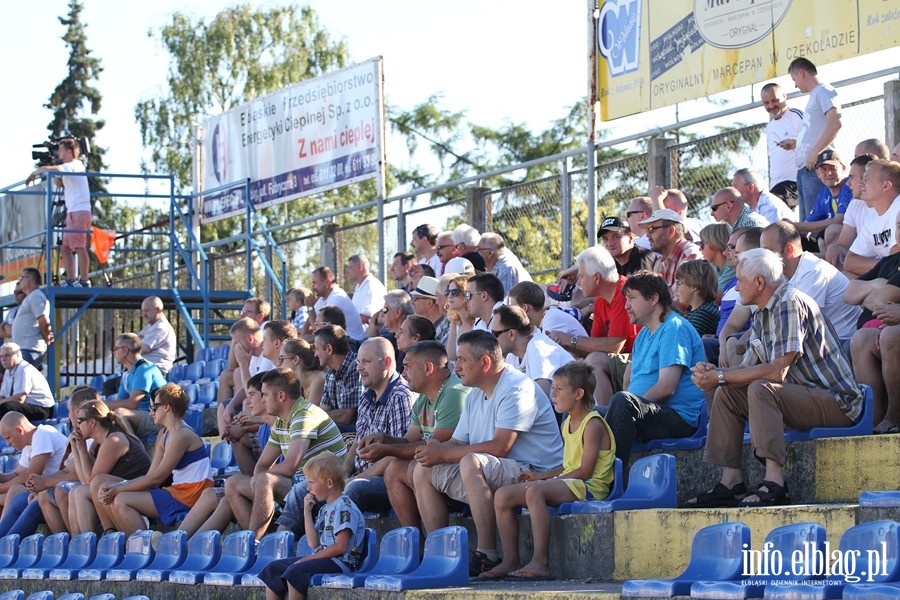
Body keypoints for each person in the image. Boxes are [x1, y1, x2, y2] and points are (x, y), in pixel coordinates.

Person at [687, 248, 863, 507]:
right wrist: (715, 374)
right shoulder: (763, 310)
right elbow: (747, 368)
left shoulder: (788, 302)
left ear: (759, 282)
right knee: (727, 390)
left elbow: (777, 371)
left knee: (761, 387)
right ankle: (731, 482)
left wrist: (722, 375)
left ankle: (775, 483)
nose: (735, 289)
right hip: (800, 396)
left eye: (740, 282)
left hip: (838, 403)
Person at [412, 330, 563, 577]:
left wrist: (446, 454)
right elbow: (458, 441)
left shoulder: (517, 387)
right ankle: (438, 555)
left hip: (535, 472)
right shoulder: (474, 395)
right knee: (423, 470)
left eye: (461, 359)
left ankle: (487, 555)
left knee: (472, 461)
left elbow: (500, 447)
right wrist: (434, 450)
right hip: (499, 469)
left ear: (485, 362)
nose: (455, 366)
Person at [490, 361, 615, 580]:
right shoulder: (566, 422)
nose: (552, 394)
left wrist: (542, 484)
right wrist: (540, 476)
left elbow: (585, 471)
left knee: (535, 492)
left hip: (590, 488)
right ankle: (510, 559)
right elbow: (569, 465)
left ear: (578, 393)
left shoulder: (593, 424)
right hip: (572, 482)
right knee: (503, 495)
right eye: (553, 388)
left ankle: (541, 562)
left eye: (559, 389)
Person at [222, 368, 346, 540]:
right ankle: (263, 542)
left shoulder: (304, 415)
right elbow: (262, 464)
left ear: (281, 396)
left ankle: (253, 543)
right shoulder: (282, 421)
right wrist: (257, 480)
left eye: (264, 395)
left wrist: (261, 479)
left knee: (265, 479)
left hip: (324, 487)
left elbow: (290, 466)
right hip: (298, 484)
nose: (262, 400)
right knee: (233, 484)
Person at [604, 271, 705, 467]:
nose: (626, 306)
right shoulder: (643, 334)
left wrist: (627, 407)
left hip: (677, 417)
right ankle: (573, 480)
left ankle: (605, 485)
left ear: (653, 298)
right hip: (645, 411)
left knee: (622, 403)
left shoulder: (674, 329)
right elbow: (628, 381)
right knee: (581, 414)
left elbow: (667, 387)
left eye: (632, 298)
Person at [98, 383, 213, 535]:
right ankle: (135, 545)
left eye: (154, 407)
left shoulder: (182, 434)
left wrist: (118, 488)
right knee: (117, 497)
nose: (150, 412)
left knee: (121, 499)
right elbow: (150, 476)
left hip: (191, 496)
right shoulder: (164, 434)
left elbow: (156, 479)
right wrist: (117, 486)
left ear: (166, 407)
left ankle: (145, 547)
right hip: (178, 492)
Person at [382, 341, 468, 528]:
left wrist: (384, 449)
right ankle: (416, 546)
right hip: (439, 467)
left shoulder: (454, 393)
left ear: (428, 368)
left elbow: (433, 448)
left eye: (407, 367)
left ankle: (436, 545)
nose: (403, 374)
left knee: (417, 467)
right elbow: (408, 440)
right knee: (394, 469)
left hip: (462, 468)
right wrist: (384, 439)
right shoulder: (423, 396)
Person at [259, 451, 366, 600]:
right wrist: (306, 512)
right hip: (325, 559)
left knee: (295, 571)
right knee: (273, 569)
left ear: (329, 483)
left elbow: (341, 546)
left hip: (340, 562)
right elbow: (313, 542)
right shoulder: (325, 508)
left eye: (311, 482)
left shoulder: (344, 507)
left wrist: (310, 559)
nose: (308, 488)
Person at [545, 246, 639, 407]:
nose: (579, 282)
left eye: (581, 276)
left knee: (594, 360)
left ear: (596, 278)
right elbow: (594, 346)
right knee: (574, 364)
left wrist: (571, 339)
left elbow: (613, 347)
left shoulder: (624, 292)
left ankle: (607, 419)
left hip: (639, 362)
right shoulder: (602, 300)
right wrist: (564, 344)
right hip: (623, 364)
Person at [335, 338, 415, 514]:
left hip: (387, 478)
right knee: (311, 488)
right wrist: (343, 475)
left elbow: (398, 454)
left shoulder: (401, 396)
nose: (359, 368)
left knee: (353, 490)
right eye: (358, 362)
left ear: (386, 362)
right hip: (361, 475)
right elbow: (358, 442)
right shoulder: (366, 397)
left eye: (366, 362)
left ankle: (336, 542)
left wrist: (355, 480)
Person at [761, 221, 861, 342]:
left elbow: (797, 325)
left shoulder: (813, 272)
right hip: (821, 342)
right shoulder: (784, 272)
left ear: (788, 249)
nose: (763, 258)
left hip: (842, 343)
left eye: (767, 252)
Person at [67, 399, 152, 535]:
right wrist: (77, 448)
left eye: (79, 421)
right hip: (120, 488)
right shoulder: (98, 443)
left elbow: (91, 481)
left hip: (138, 491)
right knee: (75, 491)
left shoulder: (114, 440)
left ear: (92, 422)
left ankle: (101, 536)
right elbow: (85, 481)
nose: (76, 426)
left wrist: (82, 449)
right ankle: (81, 546)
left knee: (83, 490)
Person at [29, 386, 100, 534]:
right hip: (85, 483)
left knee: (61, 489)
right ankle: (63, 543)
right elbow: (67, 469)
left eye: (69, 411)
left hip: (96, 486)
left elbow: (81, 474)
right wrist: (42, 482)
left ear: (76, 410)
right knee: (43, 494)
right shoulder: (75, 434)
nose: (69, 416)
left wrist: (47, 481)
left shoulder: (92, 436)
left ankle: (77, 541)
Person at [25, 137, 92, 287]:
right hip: (73, 211)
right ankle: (71, 279)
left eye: (61, 150)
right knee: (65, 247)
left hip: (79, 211)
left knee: (79, 247)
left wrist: (37, 171)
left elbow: (55, 169)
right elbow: (73, 186)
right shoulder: (71, 167)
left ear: (69, 151)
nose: (58, 153)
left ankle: (84, 280)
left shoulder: (74, 164)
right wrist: (61, 183)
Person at [787, 58, 842, 219]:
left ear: (802, 73)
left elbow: (836, 122)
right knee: (806, 223)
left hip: (816, 166)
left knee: (815, 223)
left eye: (794, 79)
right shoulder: (815, 95)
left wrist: (815, 152)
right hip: (806, 168)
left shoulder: (823, 91)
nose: (795, 85)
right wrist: (798, 144)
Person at [492, 305, 574, 400]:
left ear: (511, 334)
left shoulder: (539, 348)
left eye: (495, 334)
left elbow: (541, 400)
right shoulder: (512, 356)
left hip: (580, 412)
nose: (492, 340)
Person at [0, 412, 67, 527]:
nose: (8, 443)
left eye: (8, 438)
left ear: (19, 430)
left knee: (15, 489)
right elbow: (17, 473)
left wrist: (1, 488)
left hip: (57, 490)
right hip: (44, 491)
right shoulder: (28, 445)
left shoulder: (43, 434)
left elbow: (30, 476)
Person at [105, 333, 167, 438]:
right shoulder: (127, 373)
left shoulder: (144, 369)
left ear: (125, 351)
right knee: (100, 418)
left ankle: (135, 446)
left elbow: (132, 404)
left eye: (116, 348)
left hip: (158, 419)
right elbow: (119, 401)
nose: (114, 352)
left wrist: (100, 403)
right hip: (142, 416)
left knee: (119, 413)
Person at [846, 159, 900, 277]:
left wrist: (883, 266)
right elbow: (850, 262)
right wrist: (885, 265)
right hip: (886, 276)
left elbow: (896, 263)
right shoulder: (873, 217)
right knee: (846, 276)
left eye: (867, 179)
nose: (861, 184)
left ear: (886, 185)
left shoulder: (898, 209)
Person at [793, 149, 853, 252]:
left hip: (856, 237)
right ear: (818, 173)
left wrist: (796, 225)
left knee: (831, 231)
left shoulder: (849, 185)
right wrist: (789, 228)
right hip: (839, 241)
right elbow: (808, 225)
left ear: (843, 168)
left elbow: (839, 220)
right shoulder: (824, 193)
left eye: (832, 168)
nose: (828, 173)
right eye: (824, 169)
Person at [826, 153, 877, 272]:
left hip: (881, 268)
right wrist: (834, 247)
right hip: (862, 263)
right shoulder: (855, 204)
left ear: (866, 179)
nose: (848, 183)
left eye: (852, 177)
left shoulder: (887, 207)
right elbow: (843, 246)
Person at [640, 208, 703, 297]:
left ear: (671, 231)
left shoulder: (691, 255)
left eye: (651, 229)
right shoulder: (660, 261)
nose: (647, 235)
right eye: (647, 230)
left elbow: (684, 300)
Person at [314, 325, 365, 431]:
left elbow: (346, 416)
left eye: (317, 348)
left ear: (329, 349)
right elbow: (324, 408)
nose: (315, 354)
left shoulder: (355, 367)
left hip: (358, 433)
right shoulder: (331, 373)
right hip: (342, 431)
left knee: (315, 431)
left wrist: (313, 419)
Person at [761, 82, 804, 205]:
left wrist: (796, 143)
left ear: (784, 96)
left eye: (775, 100)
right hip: (776, 185)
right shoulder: (769, 127)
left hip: (795, 181)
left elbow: (814, 139)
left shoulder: (796, 116)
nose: (771, 106)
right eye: (766, 103)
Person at [508, 281, 586, 338]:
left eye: (514, 309)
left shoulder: (551, 318)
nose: (511, 314)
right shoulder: (542, 321)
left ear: (525, 308)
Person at [12, 268, 54, 370]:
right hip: (24, 349)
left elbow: (43, 321)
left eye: (22, 278)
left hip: (30, 349)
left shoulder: (36, 296)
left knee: (24, 382)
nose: (19, 281)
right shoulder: (31, 297)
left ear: (30, 280)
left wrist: (47, 338)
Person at [0, 342, 55, 421]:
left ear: (18, 355)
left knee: (7, 407)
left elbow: (19, 399)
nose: (3, 359)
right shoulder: (8, 371)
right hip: (26, 406)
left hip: (42, 409)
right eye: (1, 356)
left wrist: (1, 402)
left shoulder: (23, 368)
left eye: (7, 355)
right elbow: (3, 395)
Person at [309, 267, 365, 340]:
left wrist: (309, 307)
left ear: (327, 281)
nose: (312, 288)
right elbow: (311, 321)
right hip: (339, 341)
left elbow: (318, 330)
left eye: (315, 283)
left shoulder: (336, 299)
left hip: (352, 344)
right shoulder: (323, 298)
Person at [675, 260, 721, 337]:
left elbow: (685, 342)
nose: (676, 289)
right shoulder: (692, 309)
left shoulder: (704, 313)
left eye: (679, 283)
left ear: (693, 286)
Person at [279, 339, 326, 406]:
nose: (279, 364)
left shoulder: (319, 378)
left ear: (296, 360)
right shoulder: (299, 384)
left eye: (281, 358)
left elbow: (309, 414)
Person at [138, 296, 176, 376]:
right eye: (143, 311)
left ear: (158, 309)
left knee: (111, 385)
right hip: (147, 370)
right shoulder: (150, 326)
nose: (144, 314)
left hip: (157, 371)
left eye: (147, 310)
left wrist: (126, 350)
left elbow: (143, 348)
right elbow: (136, 340)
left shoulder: (161, 327)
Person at [346, 254, 387, 327]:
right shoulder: (361, 285)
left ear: (360, 267)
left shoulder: (371, 286)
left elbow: (368, 317)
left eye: (350, 268)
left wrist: (344, 321)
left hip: (367, 336)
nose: (347, 271)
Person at [444, 274, 476, 363]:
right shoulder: (456, 322)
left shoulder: (476, 322)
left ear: (466, 294)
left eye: (455, 292)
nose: (450, 296)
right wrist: (453, 322)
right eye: (447, 292)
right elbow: (450, 357)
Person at [410, 276, 449, 345]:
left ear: (429, 303)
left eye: (415, 298)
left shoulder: (446, 326)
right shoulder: (428, 327)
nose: (412, 302)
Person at [699, 222, 734, 297]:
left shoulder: (731, 267)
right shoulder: (712, 265)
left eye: (702, 244)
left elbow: (716, 299)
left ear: (714, 244)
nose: (699, 249)